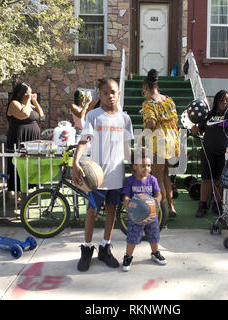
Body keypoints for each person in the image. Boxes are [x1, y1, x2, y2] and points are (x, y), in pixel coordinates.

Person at [72, 79, 134, 272]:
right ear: (100, 94)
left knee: (111, 211)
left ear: (119, 93)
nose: (110, 96)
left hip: (116, 174)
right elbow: (83, 140)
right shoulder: (93, 115)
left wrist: (136, 169)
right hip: (95, 176)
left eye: (113, 92)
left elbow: (126, 148)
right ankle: (87, 248)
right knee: (92, 211)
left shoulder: (125, 119)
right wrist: (75, 161)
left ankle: (105, 247)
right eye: (106, 93)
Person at [192, 90, 228, 218]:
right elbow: (201, 130)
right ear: (216, 101)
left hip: (224, 153)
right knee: (206, 179)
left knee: (219, 180)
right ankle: (202, 205)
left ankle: (217, 204)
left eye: (227, 100)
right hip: (208, 151)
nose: (225, 103)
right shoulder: (209, 115)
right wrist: (195, 129)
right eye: (222, 100)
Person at [141, 69, 180, 218]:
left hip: (158, 141)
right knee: (165, 175)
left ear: (146, 86)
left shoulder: (149, 103)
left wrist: (144, 134)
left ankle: (160, 211)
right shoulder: (169, 99)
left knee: (157, 176)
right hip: (171, 140)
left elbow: (150, 123)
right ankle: (171, 207)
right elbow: (175, 120)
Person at [121, 149, 165, 272]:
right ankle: (128, 256)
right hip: (136, 216)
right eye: (143, 166)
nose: (147, 168)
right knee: (132, 237)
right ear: (134, 166)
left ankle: (155, 252)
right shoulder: (130, 181)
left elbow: (158, 193)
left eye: (149, 166)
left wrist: (157, 199)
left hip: (151, 215)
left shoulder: (152, 180)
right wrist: (127, 202)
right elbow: (126, 196)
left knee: (154, 235)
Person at [6, 82, 44, 198]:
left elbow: (41, 115)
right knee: (18, 165)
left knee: (31, 165)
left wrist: (35, 101)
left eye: (31, 93)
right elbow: (24, 114)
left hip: (32, 140)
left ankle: (29, 190)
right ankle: (18, 193)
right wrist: (28, 101)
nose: (30, 94)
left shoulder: (28, 104)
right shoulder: (14, 104)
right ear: (21, 93)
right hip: (19, 138)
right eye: (28, 93)